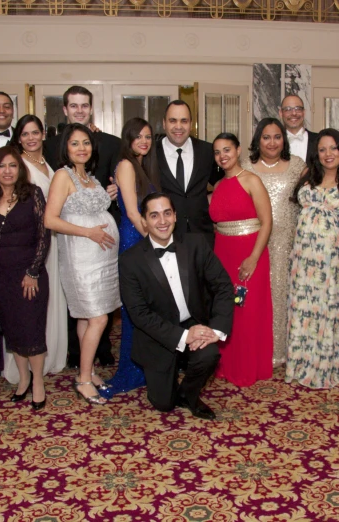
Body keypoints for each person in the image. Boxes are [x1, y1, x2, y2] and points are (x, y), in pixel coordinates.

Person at [119, 193, 234, 419]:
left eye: (167, 213)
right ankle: (170, 384)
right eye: (154, 215)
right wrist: (184, 336)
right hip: (157, 333)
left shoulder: (195, 244)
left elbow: (223, 286)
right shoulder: (130, 260)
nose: (162, 221)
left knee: (209, 355)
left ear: (175, 216)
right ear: (144, 221)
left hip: (193, 320)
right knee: (164, 403)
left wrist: (215, 330)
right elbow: (139, 314)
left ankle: (189, 394)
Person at [44, 123, 121, 405]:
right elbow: (50, 219)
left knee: (86, 317)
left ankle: (85, 370)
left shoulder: (90, 177)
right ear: (65, 147)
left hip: (102, 258)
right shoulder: (62, 177)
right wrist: (89, 232)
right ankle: (84, 380)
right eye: (75, 143)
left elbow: (92, 207)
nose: (81, 148)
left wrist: (108, 194)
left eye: (86, 142)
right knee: (99, 317)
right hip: (80, 256)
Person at [287, 129, 339, 388]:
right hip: (304, 259)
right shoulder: (307, 177)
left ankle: (329, 363)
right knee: (305, 310)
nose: (328, 154)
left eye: (333, 148)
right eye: (322, 149)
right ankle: (302, 363)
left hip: (333, 261)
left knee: (330, 308)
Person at [0, 147, 51, 411]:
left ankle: (38, 383)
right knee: (12, 330)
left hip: (30, 274)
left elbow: (44, 236)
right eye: (2, 166)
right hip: (1, 276)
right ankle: (23, 381)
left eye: (13, 165)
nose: (7, 171)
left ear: (20, 169)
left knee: (32, 329)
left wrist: (33, 271)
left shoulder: (32, 194)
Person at [240, 118, 307, 367]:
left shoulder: (297, 165)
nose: (272, 142)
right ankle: (258, 348)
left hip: (288, 241)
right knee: (256, 296)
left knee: (283, 294)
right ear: (258, 139)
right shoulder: (246, 166)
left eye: (277, 136)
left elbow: (314, 194)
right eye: (266, 137)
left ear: (284, 139)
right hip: (255, 241)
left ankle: (281, 351)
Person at [210, 132, 274, 387]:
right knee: (226, 310)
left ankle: (248, 367)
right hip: (223, 253)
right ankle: (227, 364)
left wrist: (253, 258)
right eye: (217, 152)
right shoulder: (217, 185)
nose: (222, 156)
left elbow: (267, 222)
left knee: (247, 311)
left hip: (249, 253)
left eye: (227, 149)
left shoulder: (251, 180)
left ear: (238, 151)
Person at [8, 114, 68, 381]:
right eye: (25, 134)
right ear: (18, 138)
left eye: (35, 132)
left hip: (54, 241)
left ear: (43, 134)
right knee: (29, 304)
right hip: (30, 245)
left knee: (53, 298)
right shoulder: (17, 165)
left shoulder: (50, 164)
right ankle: (25, 366)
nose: (31, 138)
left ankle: (51, 356)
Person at [103, 117, 160, 398]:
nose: (144, 141)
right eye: (138, 136)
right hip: (134, 241)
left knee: (147, 307)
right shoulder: (126, 165)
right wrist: (155, 241)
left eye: (148, 136)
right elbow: (133, 211)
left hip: (143, 238)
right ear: (128, 138)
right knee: (133, 309)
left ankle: (145, 365)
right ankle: (132, 368)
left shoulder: (142, 165)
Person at [155, 100, 222, 242]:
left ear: (191, 124)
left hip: (202, 236)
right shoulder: (152, 153)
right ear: (164, 123)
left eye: (184, 121)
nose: (178, 126)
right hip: (164, 236)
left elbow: (223, 183)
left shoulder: (207, 151)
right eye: (173, 121)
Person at [279, 94, 318, 161]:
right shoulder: (274, 143)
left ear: (304, 112)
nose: (294, 113)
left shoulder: (318, 140)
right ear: (281, 113)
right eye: (288, 109)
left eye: (298, 109)